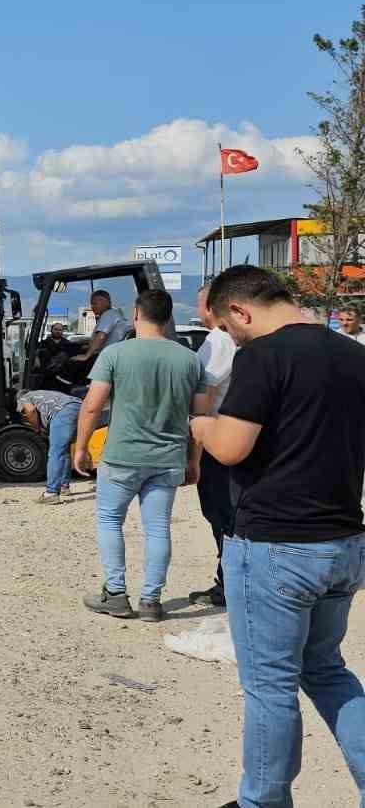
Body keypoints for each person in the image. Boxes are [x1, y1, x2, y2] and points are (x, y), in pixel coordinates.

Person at [189, 266, 365, 808]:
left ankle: (262, 803)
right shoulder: (354, 355)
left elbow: (232, 447)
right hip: (343, 542)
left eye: (225, 326)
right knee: (327, 670)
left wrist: (200, 425)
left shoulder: (263, 356)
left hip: (275, 547)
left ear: (241, 311)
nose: (229, 337)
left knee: (270, 685)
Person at [73, 288, 209, 623]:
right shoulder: (190, 360)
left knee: (109, 521)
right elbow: (201, 420)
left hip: (122, 457)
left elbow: (92, 405)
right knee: (158, 528)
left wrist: (80, 447)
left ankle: (116, 594)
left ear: (136, 314)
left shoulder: (115, 354)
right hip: (168, 459)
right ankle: (151, 601)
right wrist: (194, 461)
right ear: (169, 318)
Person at [188, 284, 238, 608]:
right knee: (222, 513)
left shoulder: (219, 341)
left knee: (222, 514)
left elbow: (203, 387)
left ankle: (229, 584)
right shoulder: (227, 340)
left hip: (216, 437)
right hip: (226, 433)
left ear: (211, 307)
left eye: (201, 305)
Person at [17, 389, 81, 504]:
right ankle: (63, 486)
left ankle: (51, 493)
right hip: (79, 406)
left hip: (63, 411)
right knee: (64, 450)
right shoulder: (41, 394)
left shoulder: (24, 397)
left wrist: (36, 429)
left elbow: (30, 411)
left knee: (55, 452)